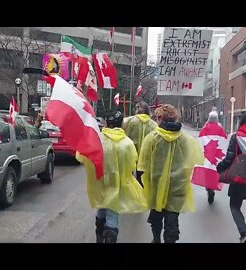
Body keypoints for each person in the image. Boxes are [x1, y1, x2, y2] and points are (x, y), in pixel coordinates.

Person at [76, 111, 148, 243]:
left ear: (106, 123)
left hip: (100, 181)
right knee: (112, 212)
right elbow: (132, 164)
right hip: (116, 184)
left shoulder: (97, 139)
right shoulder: (127, 143)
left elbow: (83, 157)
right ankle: (109, 237)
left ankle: (99, 234)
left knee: (101, 207)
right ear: (121, 124)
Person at [138, 104, 203, 243]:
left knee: (156, 214)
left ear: (161, 118)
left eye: (157, 117)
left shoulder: (152, 137)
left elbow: (143, 163)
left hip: (156, 184)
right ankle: (170, 239)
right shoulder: (186, 138)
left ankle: (156, 238)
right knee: (172, 218)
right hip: (178, 185)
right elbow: (193, 160)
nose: (156, 120)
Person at [217, 111, 246, 243]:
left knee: (234, 206)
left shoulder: (237, 136)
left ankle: (244, 233)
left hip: (239, 176)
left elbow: (229, 158)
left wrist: (220, 167)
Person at [124, 101, 158, 185]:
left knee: (130, 179)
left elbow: (124, 135)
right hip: (146, 156)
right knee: (143, 180)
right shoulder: (154, 124)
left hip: (131, 153)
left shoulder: (130, 121)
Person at [200, 111, 227, 204]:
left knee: (207, 173)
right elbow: (224, 142)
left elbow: (200, 142)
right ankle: (213, 187)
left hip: (207, 156)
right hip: (217, 156)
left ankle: (209, 189)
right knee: (216, 172)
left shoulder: (204, 129)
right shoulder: (221, 130)